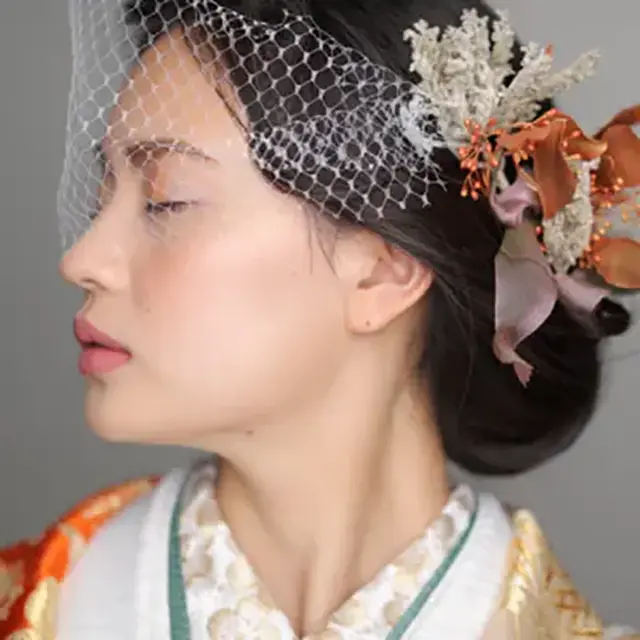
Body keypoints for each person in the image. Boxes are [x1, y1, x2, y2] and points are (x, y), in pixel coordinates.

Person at [1, 0, 639, 637]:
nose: (82, 260)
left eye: (166, 200)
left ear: (383, 272)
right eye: (103, 197)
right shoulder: (40, 605)